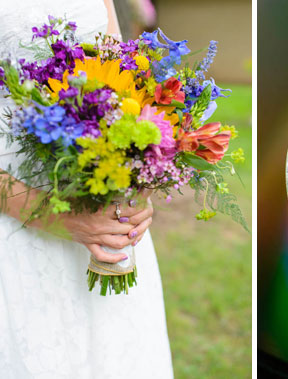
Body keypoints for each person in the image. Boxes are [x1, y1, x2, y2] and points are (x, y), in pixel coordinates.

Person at [0, 0, 174, 377]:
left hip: (102, 216)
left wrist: (138, 181)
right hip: (13, 232)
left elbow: (122, 81)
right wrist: (53, 216)